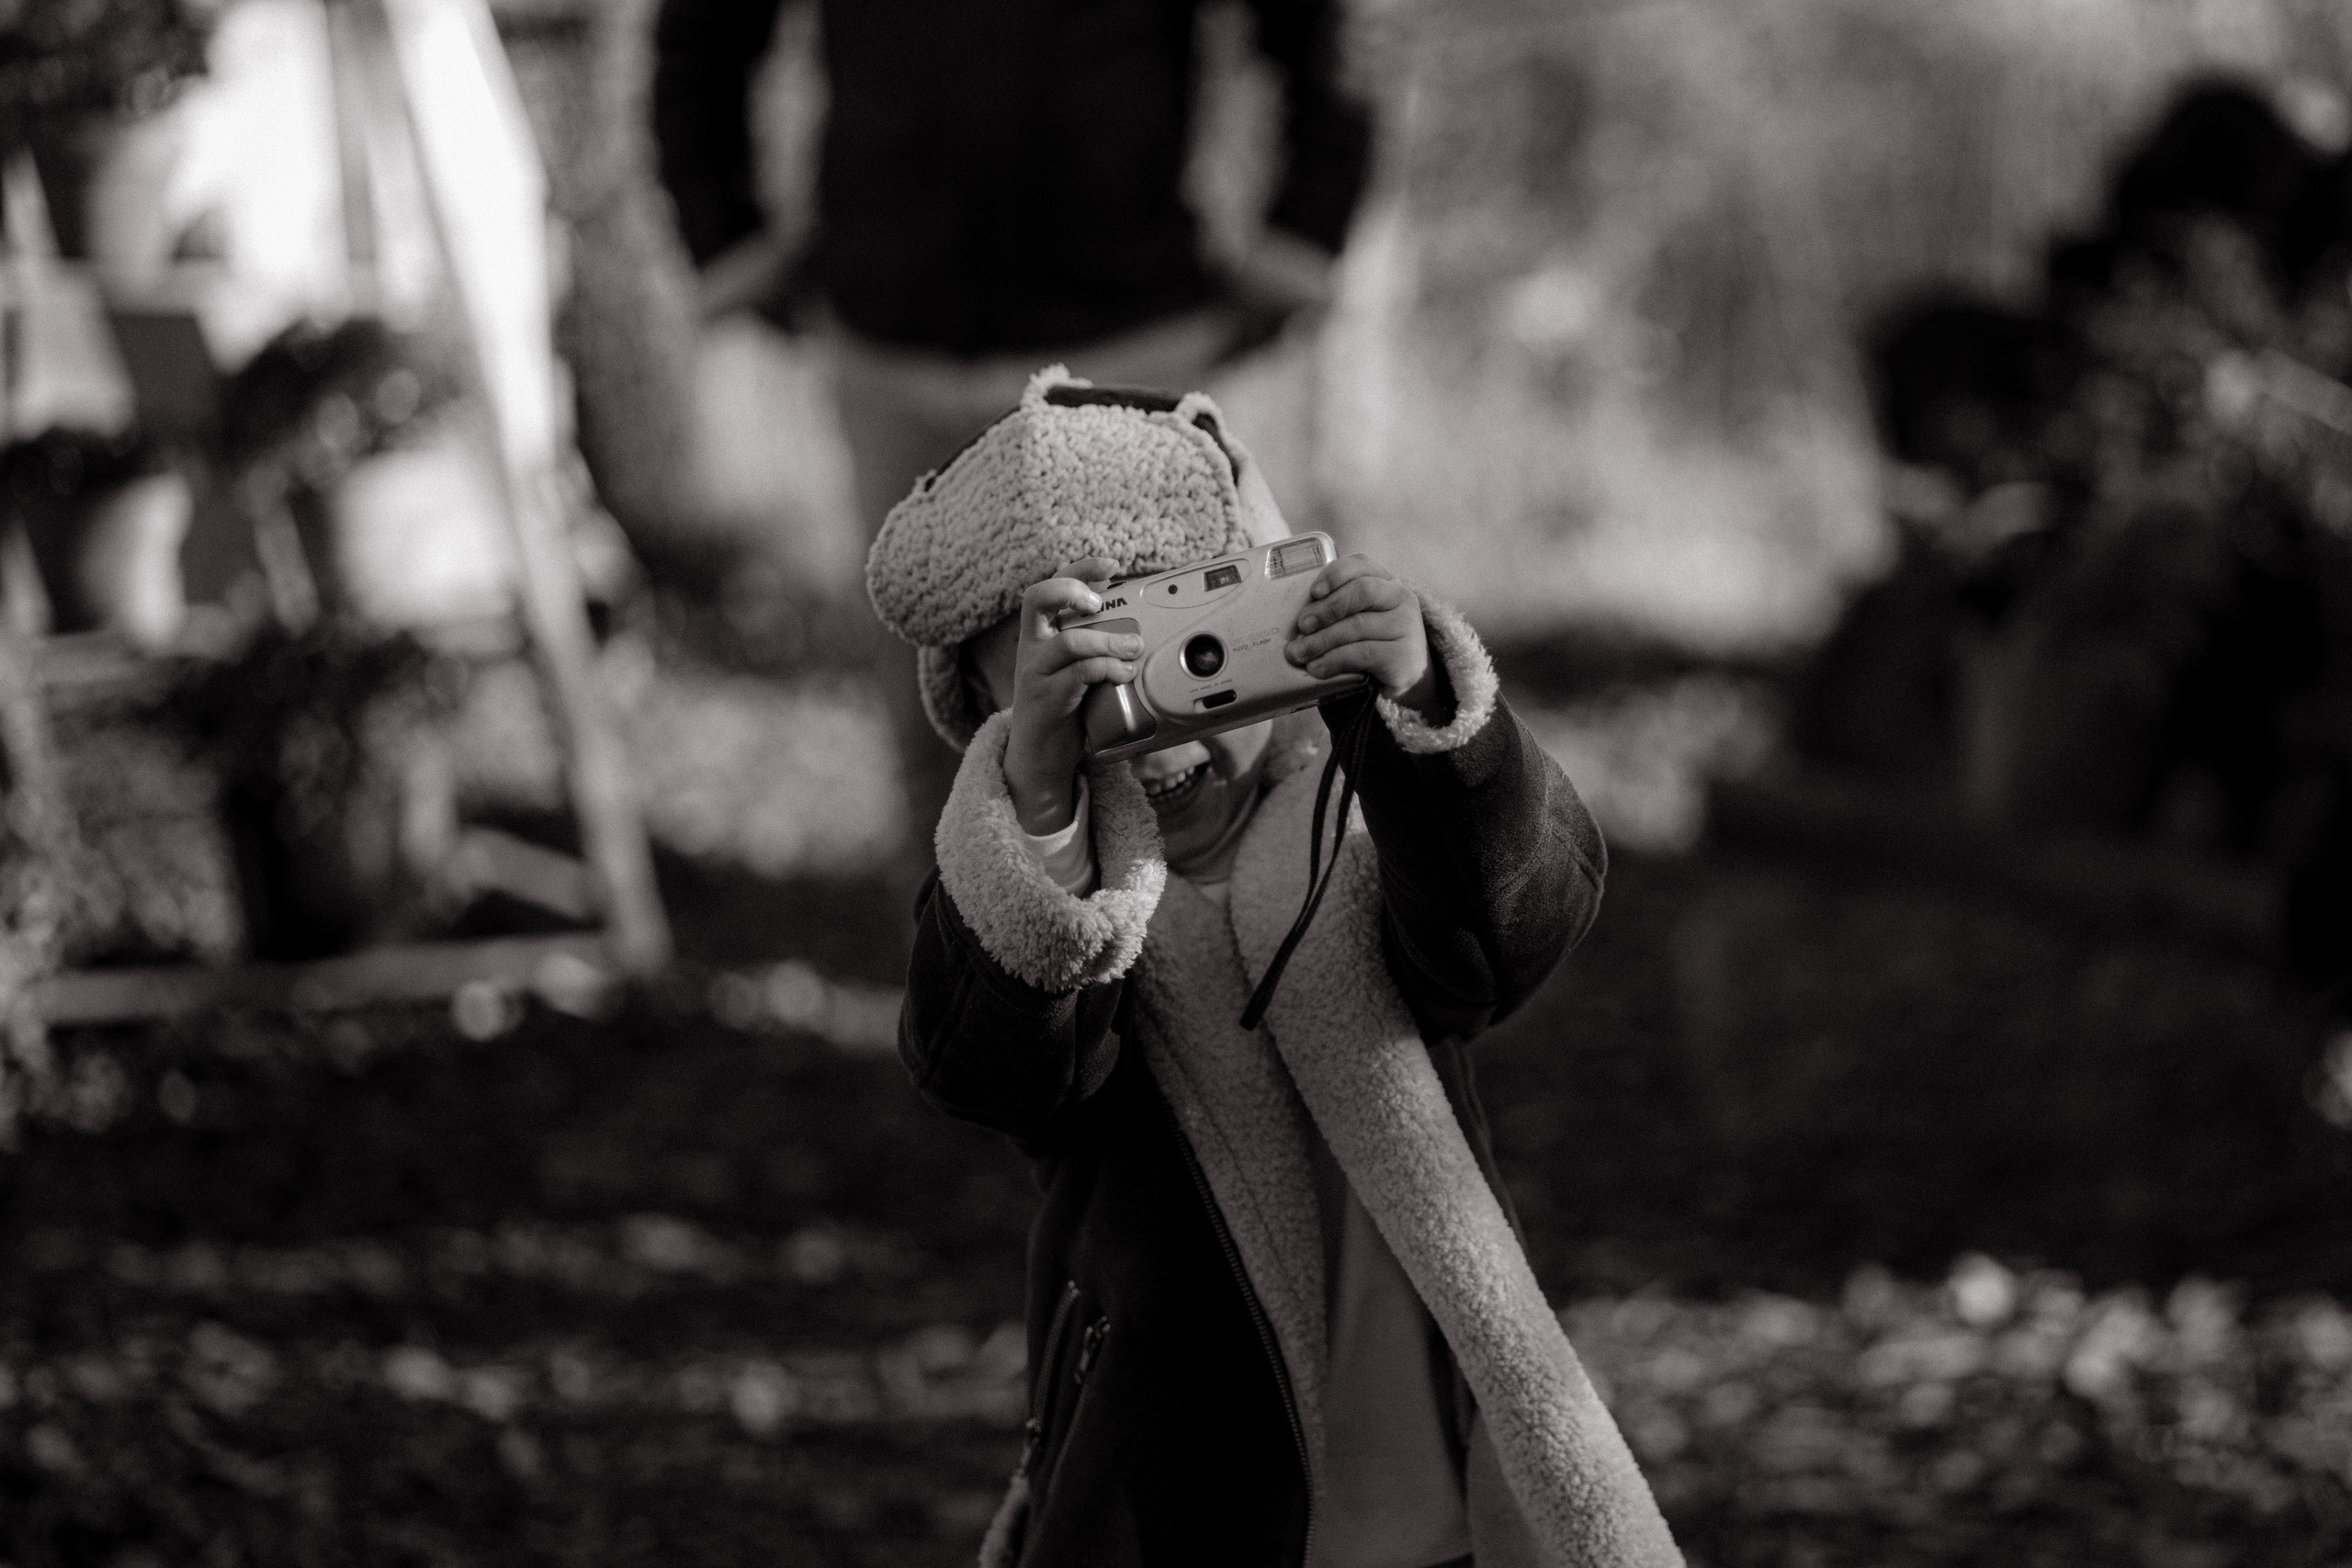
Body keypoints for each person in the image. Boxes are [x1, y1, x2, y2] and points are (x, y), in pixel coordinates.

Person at [864, 367, 1679, 1568]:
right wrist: (1038, 818)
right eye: (1080, 692)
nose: (1148, 726)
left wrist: (1431, 719)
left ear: (1275, 622)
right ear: (994, 721)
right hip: (1176, 1498)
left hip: (1436, 1492)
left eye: (1188, 650)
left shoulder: (1359, 840)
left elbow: (1511, 929)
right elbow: (988, 1071)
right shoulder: (1059, 911)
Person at [652, 0, 1374, 874]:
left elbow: (1332, 33)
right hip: (891, 350)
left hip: (1126, 335)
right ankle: (961, 960)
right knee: (941, 737)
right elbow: (700, 32)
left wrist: (1307, 229)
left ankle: (1198, 961)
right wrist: (722, 234)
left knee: (1177, 716)